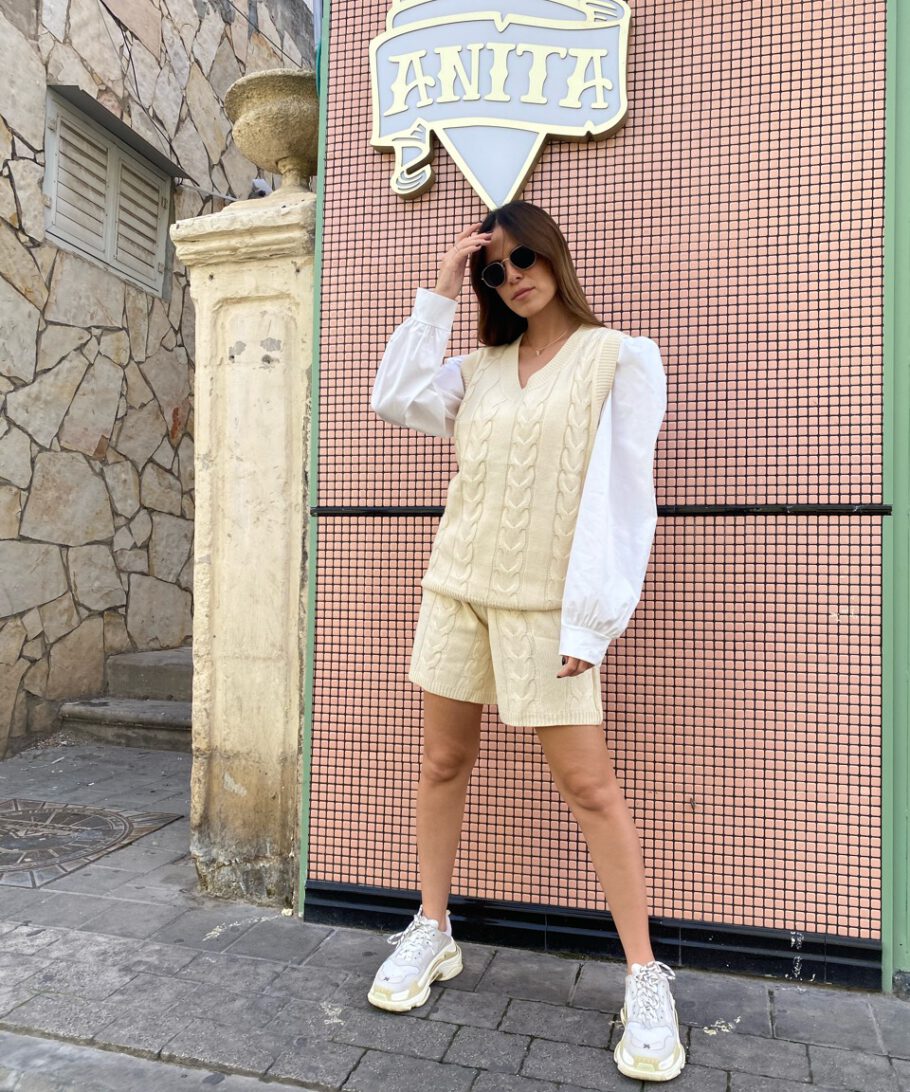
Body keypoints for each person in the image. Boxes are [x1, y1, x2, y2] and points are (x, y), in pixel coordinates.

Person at [367, 200, 683, 1083]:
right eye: (493, 270)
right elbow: (392, 396)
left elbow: (625, 500)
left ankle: (645, 976)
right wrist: (440, 288)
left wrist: (591, 619)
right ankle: (433, 927)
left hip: (548, 608)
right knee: (442, 763)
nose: (512, 277)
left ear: (554, 254)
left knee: (589, 786)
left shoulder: (618, 358)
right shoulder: (475, 370)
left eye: (523, 258)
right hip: (457, 590)